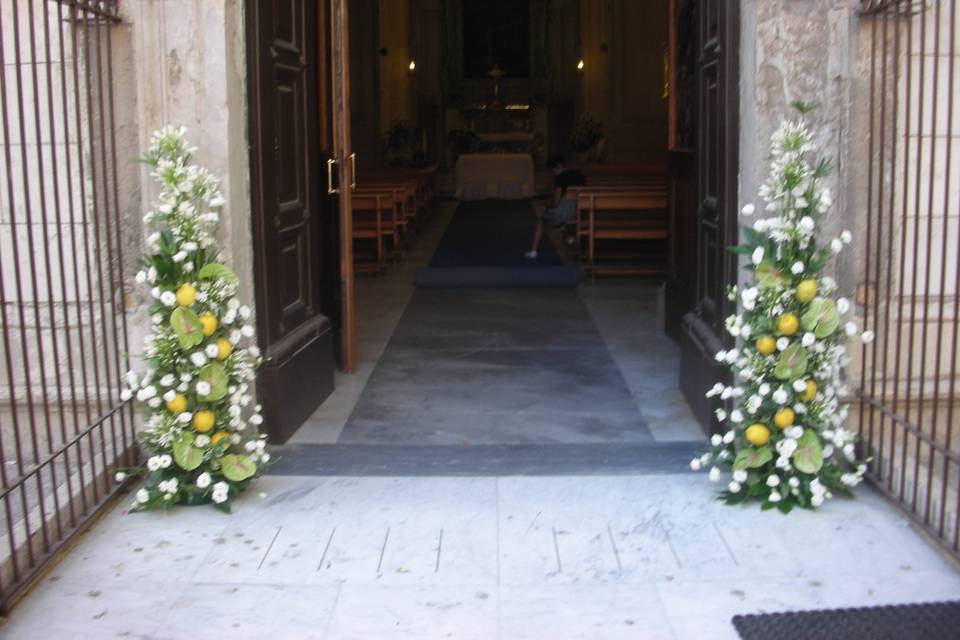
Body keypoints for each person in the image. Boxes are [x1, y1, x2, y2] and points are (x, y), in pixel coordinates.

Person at [525, 155, 586, 259]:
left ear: (559, 166)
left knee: (542, 220)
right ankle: (570, 239)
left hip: (564, 212)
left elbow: (556, 202)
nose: (552, 173)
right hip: (578, 210)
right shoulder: (579, 174)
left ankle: (533, 250)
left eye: (552, 170)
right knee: (561, 222)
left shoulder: (560, 178)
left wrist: (547, 205)